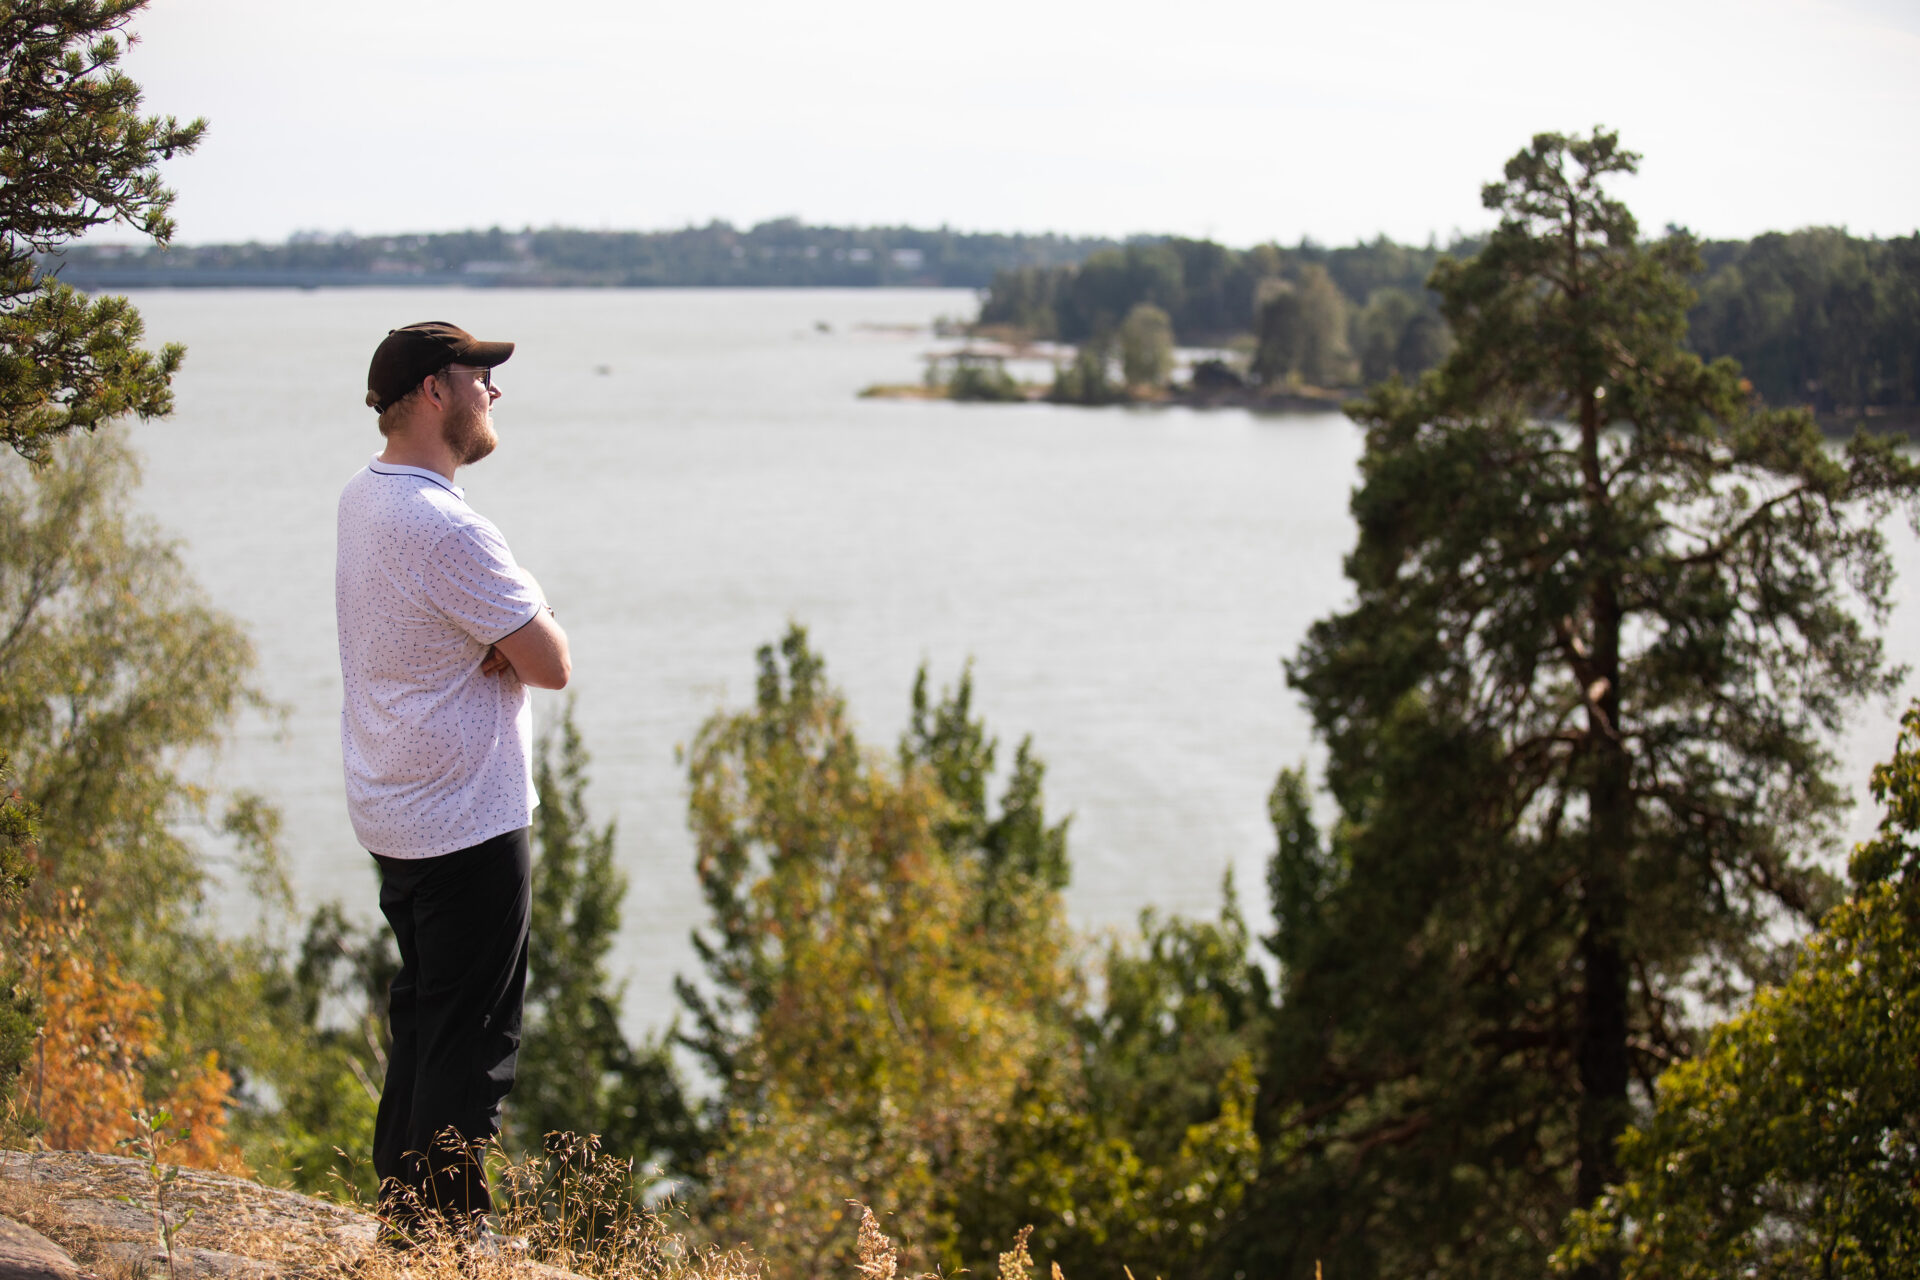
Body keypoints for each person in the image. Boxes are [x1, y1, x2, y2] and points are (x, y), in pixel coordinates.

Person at [335, 321, 570, 1235]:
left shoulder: (365, 496)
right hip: (467, 819)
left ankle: (402, 1224)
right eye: (482, 378)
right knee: (474, 1046)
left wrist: (491, 640)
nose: (494, 394)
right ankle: (442, 1246)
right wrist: (526, 615)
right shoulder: (447, 526)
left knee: (426, 1024)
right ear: (436, 391)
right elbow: (549, 662)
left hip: (396, 808)